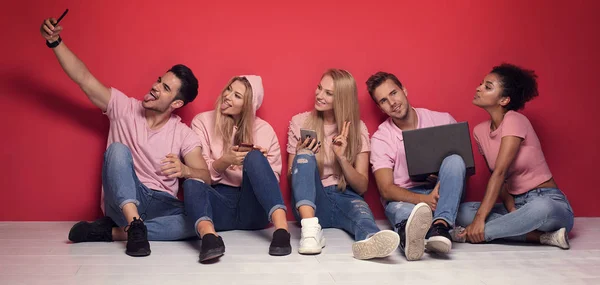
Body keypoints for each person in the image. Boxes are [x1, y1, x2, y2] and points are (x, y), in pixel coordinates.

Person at [40, 17, 210, 257]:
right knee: (117, 150)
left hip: (160, 205)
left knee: (199, 221)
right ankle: (133, 225)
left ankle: (115, 233)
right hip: (123, 203)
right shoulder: (123, 107)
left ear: (177, 103)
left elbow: (206, 177)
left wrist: (185, 171)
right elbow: (84, 78)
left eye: (165, 88)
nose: (155, 86)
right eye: (159, 81)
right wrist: (54, 41)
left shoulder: (183, 133)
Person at [456, 63, 574, 249]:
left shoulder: (514, 119)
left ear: (504, 100)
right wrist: (512, 209)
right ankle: (542, 238)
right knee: (461, 212)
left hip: (548, 201)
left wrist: (480, 220)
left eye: (487, 87)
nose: (478, 88)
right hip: (516, 204)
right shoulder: (480, 131)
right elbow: (500, 180)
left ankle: (472, 234)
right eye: (481, 84)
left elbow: (500, 172)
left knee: (541, 209)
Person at [287, 69, 400, 260]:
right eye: (319, 88)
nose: (319, 95)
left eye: (328, 93)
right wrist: (301, 155)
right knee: (304, 156)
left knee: (362, 216)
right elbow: (292, 179)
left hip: (345, 196)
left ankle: (371, 241)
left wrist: (342, 158)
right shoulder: (300, 122)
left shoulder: (358, 128)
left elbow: (362, 186)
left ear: (342, 99)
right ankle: (310, 234)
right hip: (311, 202)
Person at [185, 75, 291, 263]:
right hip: (219, 206)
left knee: (255, 156)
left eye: (237, 95)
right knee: (191, 180)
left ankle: (282, 232)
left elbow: (273, 182)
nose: (227, 96)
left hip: (254, 208)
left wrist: (259, 166)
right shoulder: (202, 121)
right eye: (228, 89)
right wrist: (225, 160)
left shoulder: (264, 130)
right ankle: (210, 238)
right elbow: (200, 173)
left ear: (248, 105)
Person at [367, 71, 466, 261]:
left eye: (394, 93)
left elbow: (462, 168)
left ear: (404, 90)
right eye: (384, 101)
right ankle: (410, 237)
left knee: (454, 160)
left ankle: (440, 227)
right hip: (407, 198)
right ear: (380, 108)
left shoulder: (442, 120)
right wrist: (424, 199)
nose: (392, 102)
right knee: (401, 211)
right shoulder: (381, 138)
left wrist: (441, 183)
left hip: (443, 194)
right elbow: (386, 189)